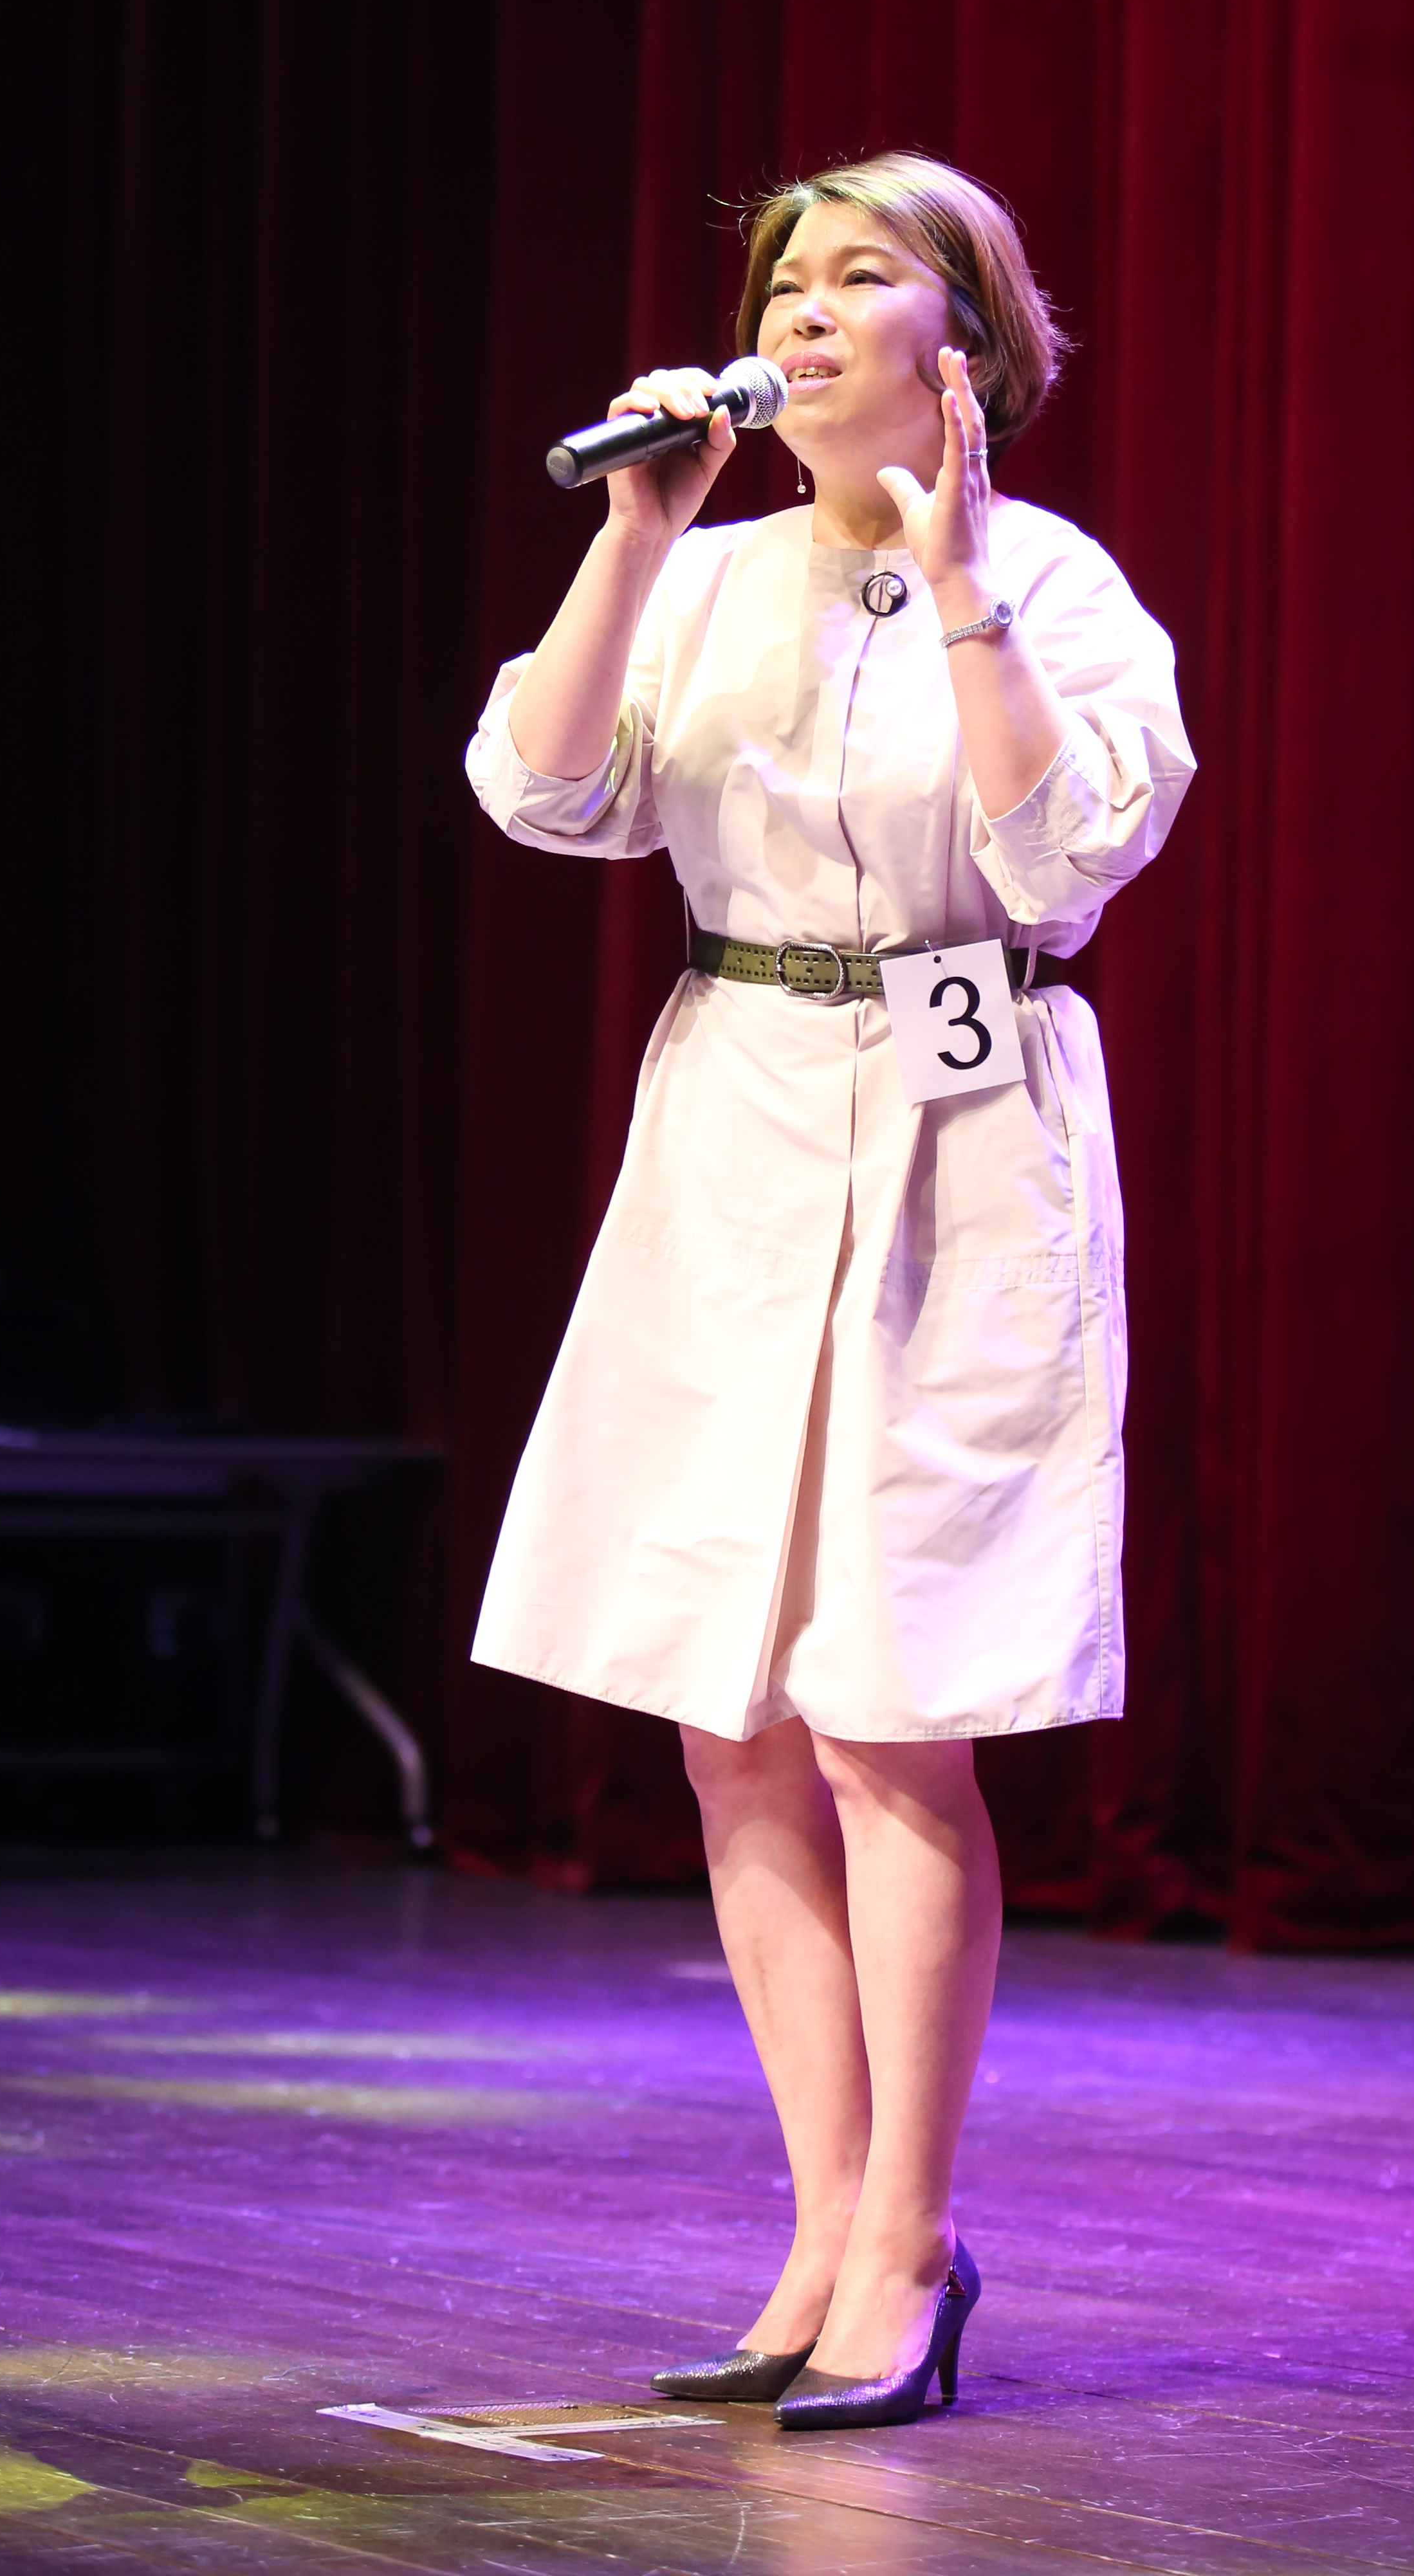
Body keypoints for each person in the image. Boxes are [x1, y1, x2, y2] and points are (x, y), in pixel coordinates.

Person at [465, 152, 1193, 2429]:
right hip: (740, 1119)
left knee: (892, 1711)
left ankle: (911, 2241)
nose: (800, 311)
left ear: (959, 337)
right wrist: (634, 534)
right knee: (733, 1713)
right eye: (782, 278)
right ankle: (816, 2220)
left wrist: (959, 589)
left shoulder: (1057, 584)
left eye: (859, 277)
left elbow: (1072, 849)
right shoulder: (705, 572)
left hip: (967, 1135)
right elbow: (540, 793)